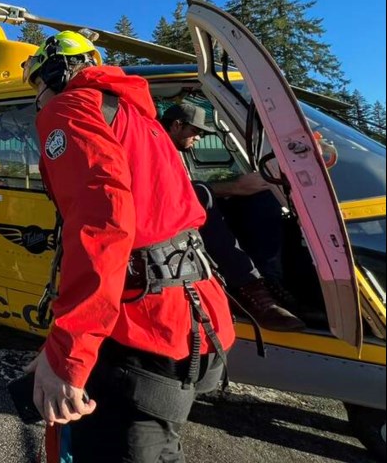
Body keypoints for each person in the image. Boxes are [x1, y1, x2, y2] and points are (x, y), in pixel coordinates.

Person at [21, 31, 236, 463]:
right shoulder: (140, 120)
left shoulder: (71, 108)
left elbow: (103, 225)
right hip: (193, 315)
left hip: (140, 326)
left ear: (56, 72)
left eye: (38, 85)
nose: (38, 98)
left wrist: (68, 354)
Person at [160, 104, 305, 332]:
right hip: (163, 224)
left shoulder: (174, 153)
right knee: (203, 193)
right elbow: (170, 191)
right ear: (177, 125)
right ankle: (248, 287)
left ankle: (269, 279)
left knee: (260, 197)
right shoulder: (150, 147)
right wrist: (234, 186)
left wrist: (242, 187)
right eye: (195, 132)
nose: (198, 138)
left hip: (182, 213)